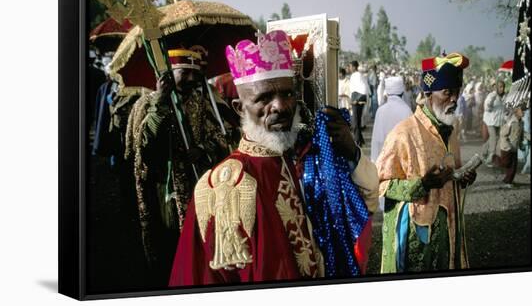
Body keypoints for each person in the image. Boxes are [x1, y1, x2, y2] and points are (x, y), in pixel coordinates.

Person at [169, 30, 379, 286]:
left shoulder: (289, 159)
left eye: (287, 93)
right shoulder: (225, 185)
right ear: (239, 108)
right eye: (264, 97)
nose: (281, 106)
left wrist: (350, 153)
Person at [125, 47, 232, 285]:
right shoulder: (145, 104)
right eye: (185, 73)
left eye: (196, 73)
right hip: (164, 189)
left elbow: (221, 138)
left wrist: (202, 150)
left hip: (197, 184)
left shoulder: (201, 102)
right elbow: (144, 148)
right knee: (169, 244)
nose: (193, 79)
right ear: (167, 74)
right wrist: (161, 104)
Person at [376, 53, 477, 273]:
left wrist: (462, 177)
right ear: (429, 93)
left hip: (447, 235)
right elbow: (381, 183)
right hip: (415, 240)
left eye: (457, 92)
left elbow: (453, 173)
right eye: (447, 92)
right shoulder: (403, 133)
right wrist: (422, 184)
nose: (454, 99)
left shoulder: (450, 132)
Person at [370, 76, 412, 162]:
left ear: (387, 93)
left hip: (383, 160)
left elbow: (376, 140)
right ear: (402, 92)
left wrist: (374, 162)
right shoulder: (407, 110)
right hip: (402, 161)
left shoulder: (380, 111)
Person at [493, 106, 524, 185]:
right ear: (516, 112)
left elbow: (521, 134)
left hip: (514, 147)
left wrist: (521, 144)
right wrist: (507, 146)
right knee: (506, 163)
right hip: (507, 147)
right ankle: (494, 159)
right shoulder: (511, 122)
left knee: (513, 166)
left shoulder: (521, 122)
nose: (523, 112)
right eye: (521, 110)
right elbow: (503, 134)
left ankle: (508, 181)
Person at [481, 80, 507, 166]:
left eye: (503, 87)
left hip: (499, 122)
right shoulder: (491, 95)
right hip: (490, 121)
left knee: (496, 138)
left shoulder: (505, 97)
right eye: (500, 87)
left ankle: (483, 152)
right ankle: (490, 158)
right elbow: (487, 108)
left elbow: (506, 109)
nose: (502, 89)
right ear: (496, 88)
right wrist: (493, 98)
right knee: (493, 138)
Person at [349, 60, 370, 146]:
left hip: (357, 100)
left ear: (354, 67)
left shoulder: (356, 75)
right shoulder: (358, 75)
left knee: (355, 122)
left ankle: (357, 141)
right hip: (358, 99)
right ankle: (360, 139)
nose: (349, 68)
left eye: (350, 66)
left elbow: (362, 88)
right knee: (357, 121)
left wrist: (356, 100)